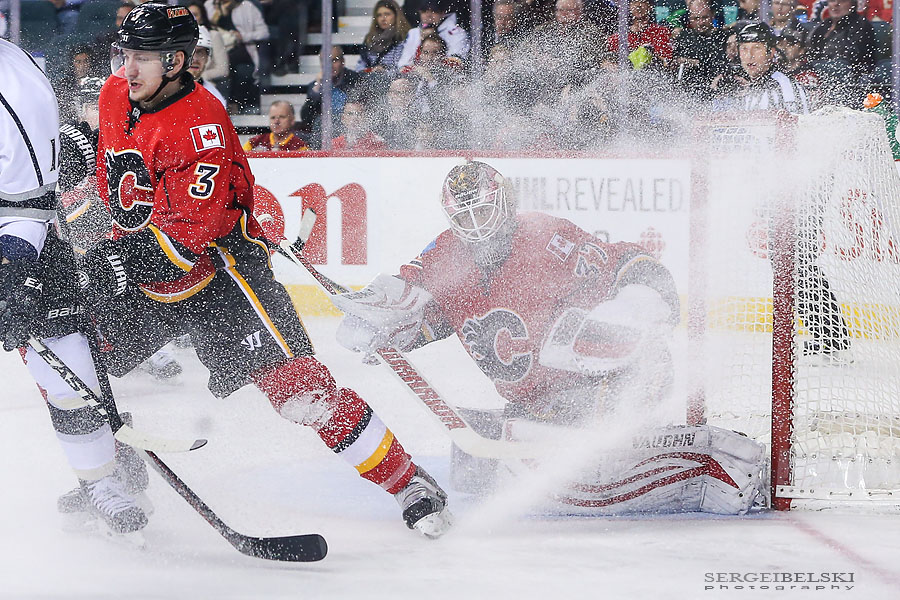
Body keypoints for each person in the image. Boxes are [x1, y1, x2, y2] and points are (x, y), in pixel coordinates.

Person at [89, 3, 452, 537]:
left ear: (175, 61)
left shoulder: (202, 129)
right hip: (146, 272)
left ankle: (407, 482)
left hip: (222, 276)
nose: (128, 68)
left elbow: (187, 240)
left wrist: (112, 262)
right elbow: (113, 181)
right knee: (71, 355)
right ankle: (104, 471)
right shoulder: (115, 93)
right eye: (125, 54)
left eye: (142, 57)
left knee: (302, 392)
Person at [331, 161, 767, 514]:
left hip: (614, 380)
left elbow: (633, 265)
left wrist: (638, 304)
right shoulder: (446, 253)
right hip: (538, 403)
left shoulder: (546, 237)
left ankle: (662, 454)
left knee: (588, 445)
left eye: (482, 211)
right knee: (507, 454)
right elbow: (424, 306)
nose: (475, 226)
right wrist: (385, 323)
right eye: (463, 217)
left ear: (505, 203)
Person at [0, 38, 149, 536]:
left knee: (62, 358)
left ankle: (100, 476)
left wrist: (13, 270)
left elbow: (29, 203)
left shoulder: (15, 87)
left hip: (23, 238)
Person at [712, 22, 811, 113]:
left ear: (771, 53)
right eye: (744, 49)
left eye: (757, 48)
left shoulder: (785, 88)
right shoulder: (742, 86)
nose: (749, 55)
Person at [397, 0, 470, 68]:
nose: (428, 15)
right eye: (424, 11)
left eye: (434, 11)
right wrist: (417, 70)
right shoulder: (414, 33)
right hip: (418, 73)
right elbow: (403, 63)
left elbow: (456, 62)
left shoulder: (457, 33)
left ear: (443, 13)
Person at [356, 0, 411, 74]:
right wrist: (371, 71)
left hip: (396, 78)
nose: (383, 19)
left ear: (396, 15)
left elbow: (405, 66)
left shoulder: (405, 37)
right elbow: (360, 66)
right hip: (371, 77)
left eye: (387, 14)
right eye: (379, 15)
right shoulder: (369, 38)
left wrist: (385, 71)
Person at [243, 100, 309, 151]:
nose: (276, 121)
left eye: (282, 117)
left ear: (292, 120)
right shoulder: (253, 143)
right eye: (273, 118)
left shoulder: (300, 147)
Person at [189, 26, 228, 107]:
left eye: (200, 52)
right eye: (190, 52)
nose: (195, 59)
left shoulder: (215, 98)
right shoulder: (163, 91)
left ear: (207, 58)